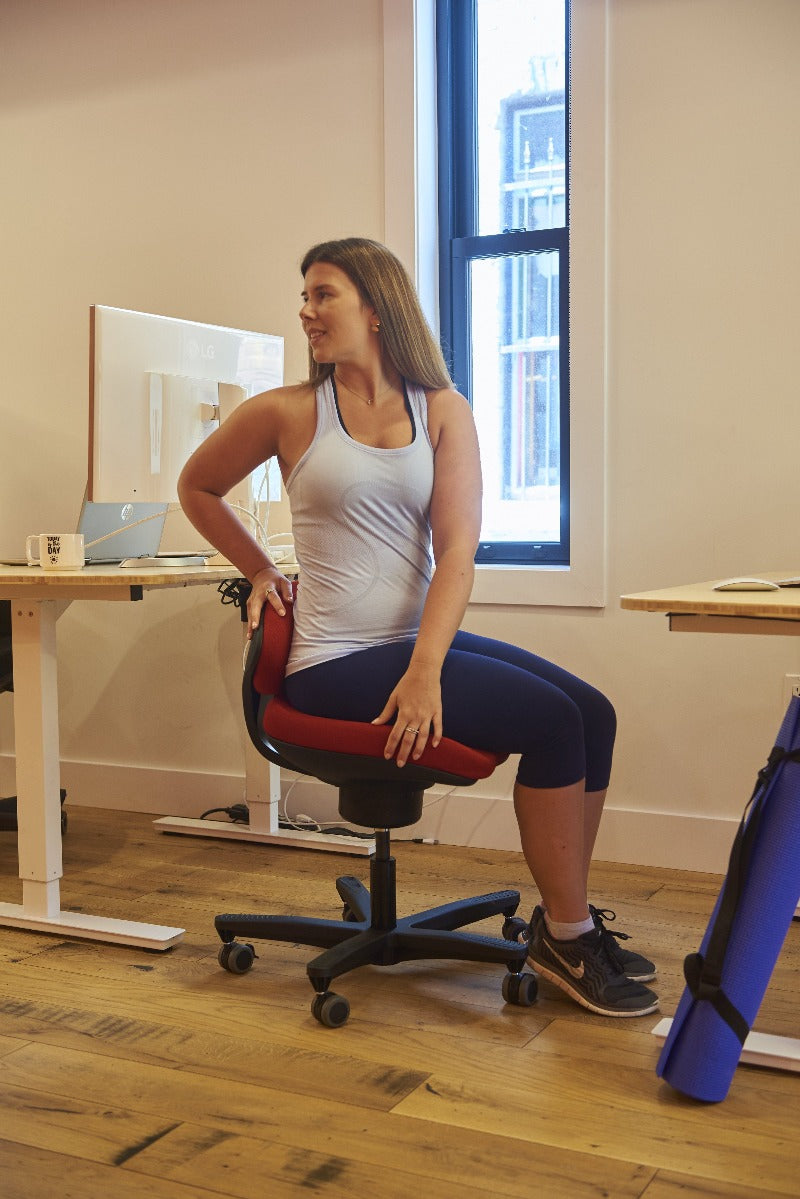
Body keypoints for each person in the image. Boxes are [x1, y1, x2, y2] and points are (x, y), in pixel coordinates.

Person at [178, 236, 658, 1018]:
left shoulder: (442, 409)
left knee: (591, 713)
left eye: (322, 294)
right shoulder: (289, 412)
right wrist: (262, 570)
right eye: (303, 295)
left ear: (375, 305)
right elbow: (198, 486)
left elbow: (457, 550)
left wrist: (426, 666)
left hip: (410, 651)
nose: (305, 311)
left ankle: (566, 913)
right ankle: (567, 937)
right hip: (333, 661)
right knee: (551, 721)